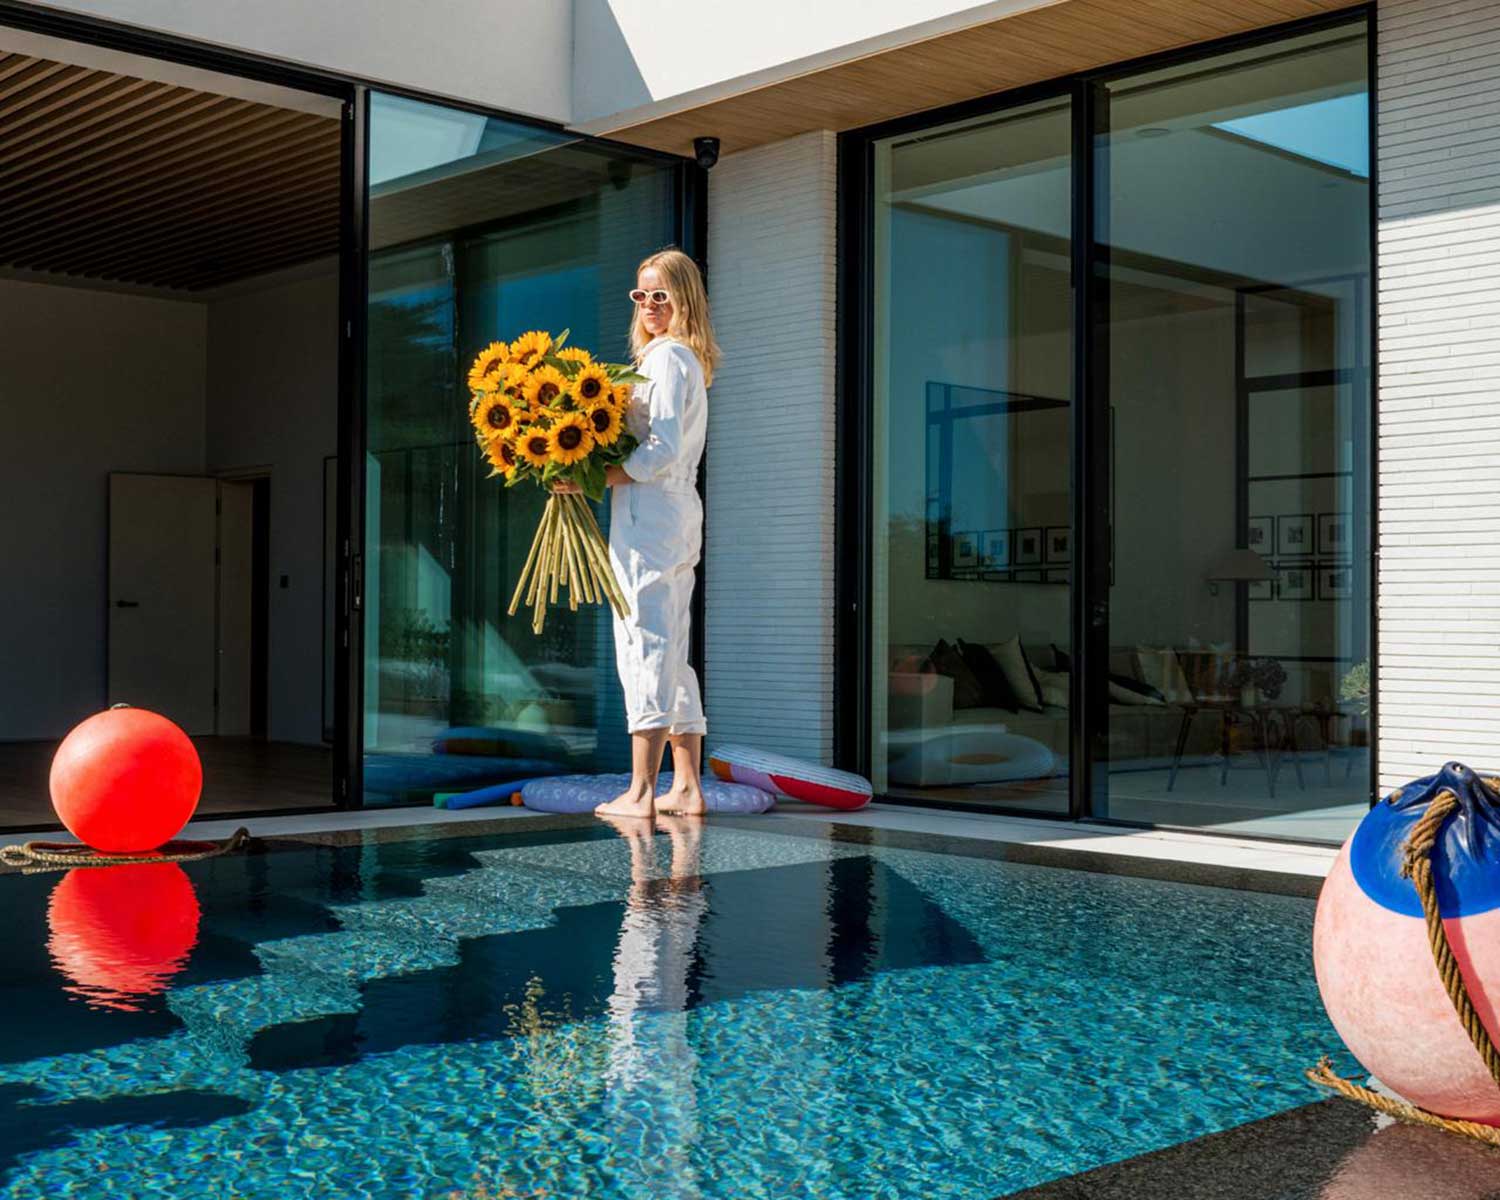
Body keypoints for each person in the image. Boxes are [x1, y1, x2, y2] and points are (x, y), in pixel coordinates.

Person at [553, 248, 720, 818]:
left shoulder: (669, 358)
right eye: (641, 294)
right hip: (671, 512)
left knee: (643, 641)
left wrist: (594, 477)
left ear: (684, 300)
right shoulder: (676, 358)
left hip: (652, 513)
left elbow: (661, 448)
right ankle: (687, 787)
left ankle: (642, 791)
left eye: (661, 295)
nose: (649, 304)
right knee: (671, 644)